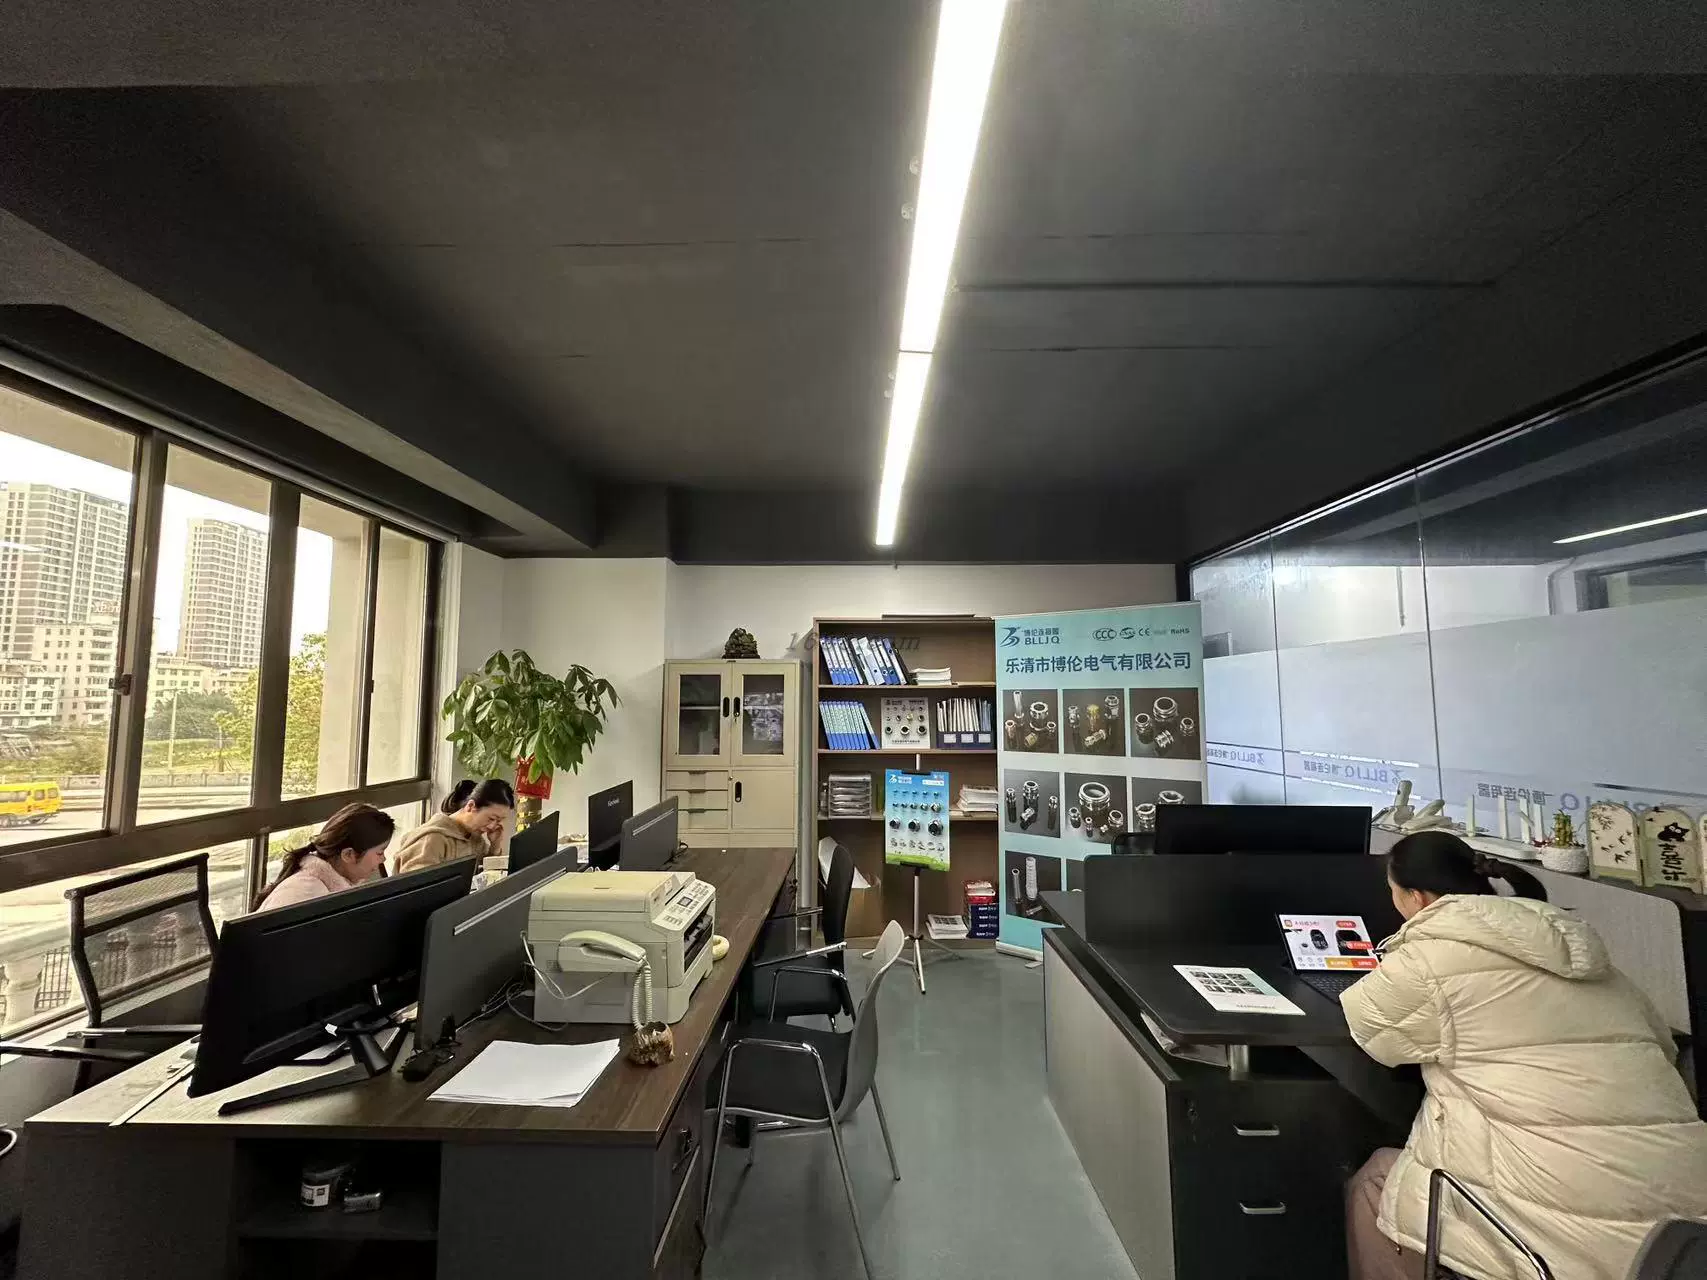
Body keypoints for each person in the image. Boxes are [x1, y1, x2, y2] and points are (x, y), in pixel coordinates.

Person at [1342, 830, 1707, 1280]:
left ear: (1415, 898)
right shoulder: (1589, 957)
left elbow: (1371, 1030)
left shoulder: (1427, 962)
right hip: (1680, 1235)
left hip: (1557, 1237)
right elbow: (1663, 1049)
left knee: (1375, 1184)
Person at [254, 804, 395, 911]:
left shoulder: (327, 885)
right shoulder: (305, 893)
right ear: (348, 854)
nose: (383, 859)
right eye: (379, 853)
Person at [394, 778, 515, 875]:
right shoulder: (431, 839)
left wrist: (495, 846)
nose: (493, 826)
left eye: (499, 821)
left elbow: (486, 878)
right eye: (491, 818)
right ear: (471, 806)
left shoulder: (475, 839)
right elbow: (417, 888)